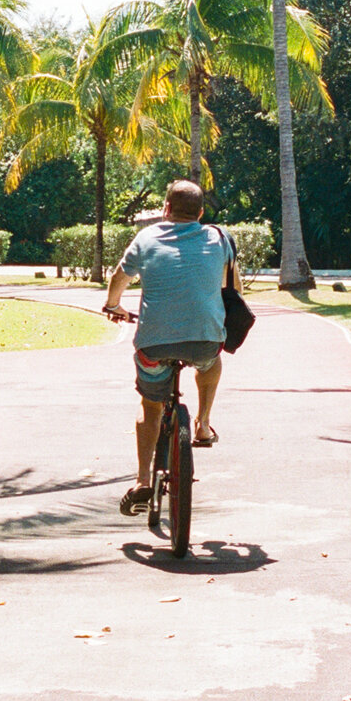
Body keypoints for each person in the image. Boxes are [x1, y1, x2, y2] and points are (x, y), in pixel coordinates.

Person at [101, 179, 239, 515]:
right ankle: (203, 424)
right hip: (205, 340)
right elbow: (233, 287)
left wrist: (113, 304)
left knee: (149, 406)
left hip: (154, 344)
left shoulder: (147, 237)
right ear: (201, 213)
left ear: (166, 209)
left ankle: (142, 481)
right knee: (211, 362)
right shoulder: (219, 238)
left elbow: (121, 276)